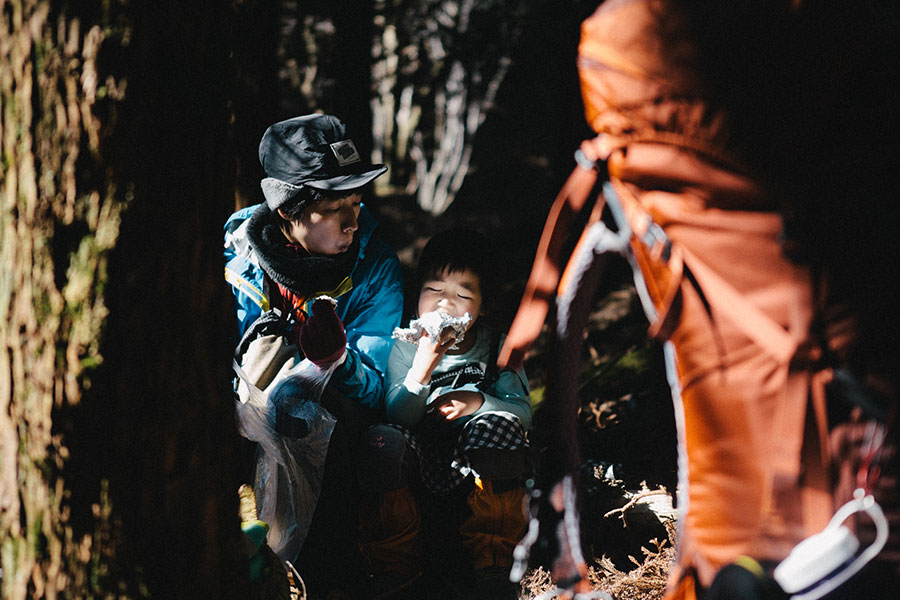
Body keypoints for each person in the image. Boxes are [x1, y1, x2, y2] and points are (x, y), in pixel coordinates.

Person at [224, 113, 404, 598]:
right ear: (288, 209)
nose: (353, 220)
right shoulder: (238, 260)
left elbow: (377, 385)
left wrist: (337, 358)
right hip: (245, 412)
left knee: (319, 420)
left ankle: (326, 584)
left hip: (334, 421)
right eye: (335, 207)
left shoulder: (373, 266)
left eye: (358, 201)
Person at [357, 228, 531, 598]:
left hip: (477, 470)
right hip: (419, 462)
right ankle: (394, 565)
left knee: (498, 427)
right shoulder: (404, 346)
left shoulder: (498, 348)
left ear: (484, 305)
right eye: (434, 290)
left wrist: (478, 403)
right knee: (381, 440)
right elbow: (397, 416)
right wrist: (421, 369)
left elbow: (523, 414)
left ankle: (495, 560)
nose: (444, 304)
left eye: (462, 294)